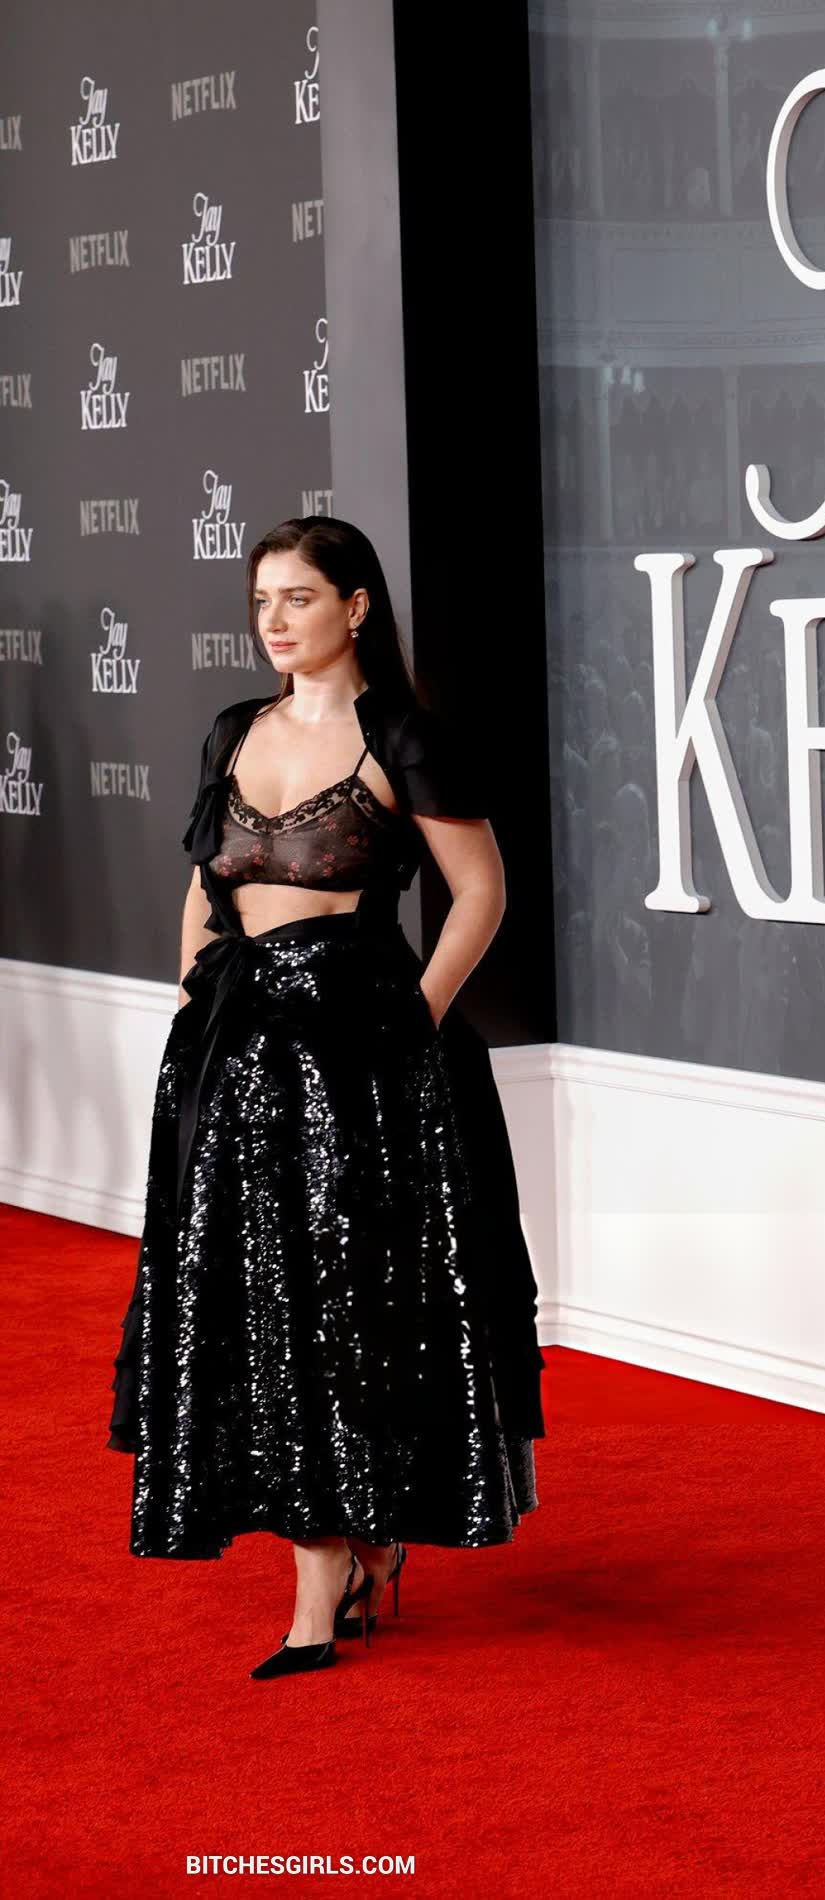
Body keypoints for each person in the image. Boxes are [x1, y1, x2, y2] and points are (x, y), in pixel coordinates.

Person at [105, 516, 546, 1681]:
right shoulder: (233, 730)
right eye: (262, 600)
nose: (275, 621)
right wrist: (194, 1011)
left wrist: (413, 1023)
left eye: (298, 597)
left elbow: (481, 892)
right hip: (233, 1054)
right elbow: (206, 888)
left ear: (356, 607)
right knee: (248, 1307)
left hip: (361, 1065)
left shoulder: (403, 737)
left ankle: (326, 1577)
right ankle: (352, 1551)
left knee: (340, 1314)